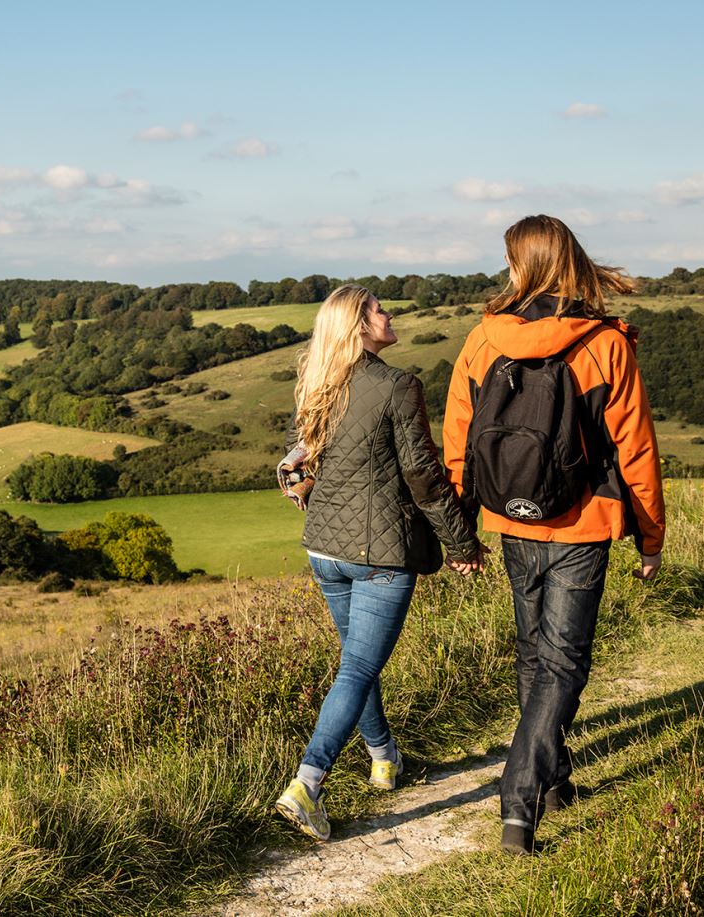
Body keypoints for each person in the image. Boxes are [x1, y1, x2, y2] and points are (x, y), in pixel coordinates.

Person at [442, 214, 665, 855]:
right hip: (583, 521)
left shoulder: (484, 339)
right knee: (562, 661)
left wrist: (461, 531)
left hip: (511, 519)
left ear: (524, 267)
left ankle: (555, 778)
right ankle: (520, 803)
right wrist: (649, 538)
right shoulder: (605, 343)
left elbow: (458, 444)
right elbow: (637, 451)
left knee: (535, 654)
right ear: (571, 262)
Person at [274, 283, 484, 842]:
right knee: (359, 669)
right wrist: (462, 544)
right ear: (360, 326)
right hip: (379, 554)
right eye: (378, 309)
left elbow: (302, 461)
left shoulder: (319, 385)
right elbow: (423, 476)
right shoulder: (397, 386)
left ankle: (384, 759)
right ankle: (307, 784)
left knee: (356, 664)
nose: (389, 315)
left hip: (323, 549)